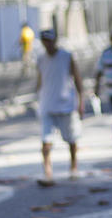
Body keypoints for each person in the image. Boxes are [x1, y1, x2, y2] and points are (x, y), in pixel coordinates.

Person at [35, 28, 83, 186]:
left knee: (71, 139)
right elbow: (40, 80)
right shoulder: (41, 59)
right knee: (46, 140)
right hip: (47, 105)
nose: (47, 44)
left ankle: (73, 167)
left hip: (66, 105)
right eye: (44, 41)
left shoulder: (66, 56)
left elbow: (77, 79)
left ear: (55, 40)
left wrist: (80, 102)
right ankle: (47, 173)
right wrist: (37, 98)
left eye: (49, 40)